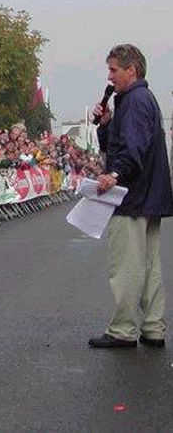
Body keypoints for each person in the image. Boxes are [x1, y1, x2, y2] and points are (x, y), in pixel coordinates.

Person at [89, 44, 173, 348]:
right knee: (150, 265)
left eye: (113, 70)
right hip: (150, 195)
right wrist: (107, 124)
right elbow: (120, 143)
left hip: (132, 195)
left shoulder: (135, 101)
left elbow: (131, 147)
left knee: (126, 265)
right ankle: (153, 327)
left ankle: (123, 329)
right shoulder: (140, 99)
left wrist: (115, 174)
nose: (109, 78)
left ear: (131, 70)